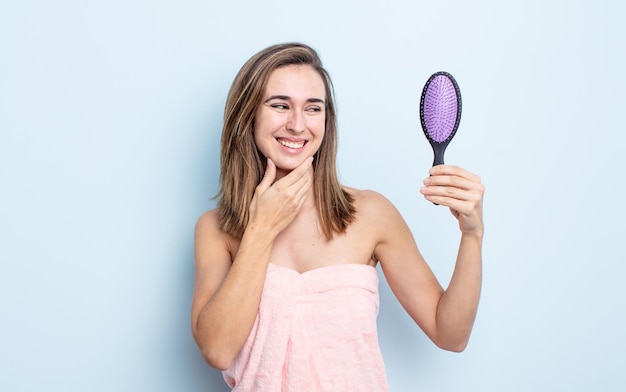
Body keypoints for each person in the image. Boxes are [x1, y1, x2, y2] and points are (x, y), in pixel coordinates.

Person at [191, 42, 484, 391]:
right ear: (248, 115)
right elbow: (218, 350)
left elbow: (450, 334)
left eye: (313, 108)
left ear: (326, 121)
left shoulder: (371, 214)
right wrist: (261, 228)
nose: (297, 124)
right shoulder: (215, 229)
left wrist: (472, 235)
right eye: (280, 105)